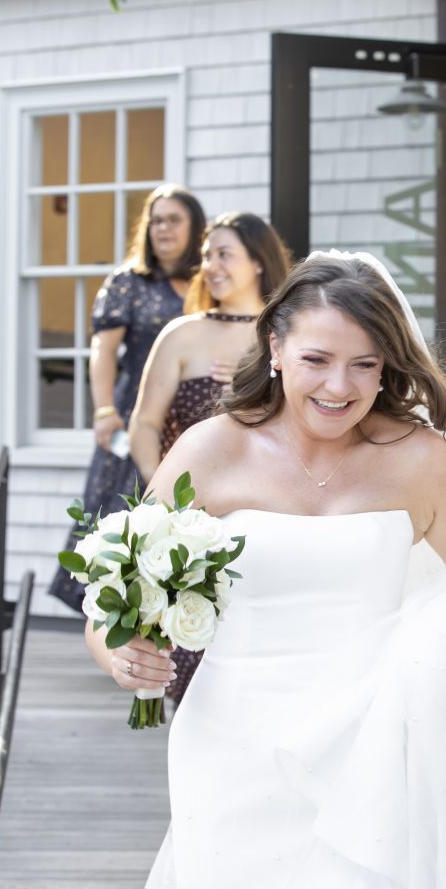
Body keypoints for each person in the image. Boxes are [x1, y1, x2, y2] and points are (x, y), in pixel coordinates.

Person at [85, 252, 446, 889]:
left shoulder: (421, 460)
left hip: (374, 749)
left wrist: (431, 666)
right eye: (317, 360)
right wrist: (118, 653)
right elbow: (116, 596)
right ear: (274, 347)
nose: (340, 385)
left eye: (365, 364)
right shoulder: (208, 449)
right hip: (230, 745)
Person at [127, 212, 291, 702]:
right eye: (206, 256)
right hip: (193, 529)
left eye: (224, 254)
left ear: (259, 262)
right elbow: (145, 425)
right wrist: (167, 499)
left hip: (270, 519)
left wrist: (259, 386)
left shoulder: (287, 335)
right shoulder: (181, 334)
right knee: (194, 677)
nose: (210, 266)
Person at [48, 184, 206, 612]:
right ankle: (111, 624)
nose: (163, 229)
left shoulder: (207, 282)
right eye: (156, 220)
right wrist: (103, 411)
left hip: (193, 419)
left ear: (195, 228)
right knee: (120, 518)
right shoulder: (128, 281)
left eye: (174, 220)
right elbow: (103, 351)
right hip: (134, 417)